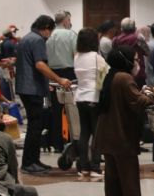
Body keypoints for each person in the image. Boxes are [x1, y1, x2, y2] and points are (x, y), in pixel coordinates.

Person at [97, 47, 154, 196]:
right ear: (125, 60)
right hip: (121, 137)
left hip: (108, 135)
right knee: (129, 178)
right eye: (135, 59)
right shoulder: (124, 78)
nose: (137, 63)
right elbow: (139, 102)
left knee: (113, 179)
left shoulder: (112, 75)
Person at [15, 15, 72, 174]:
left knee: (35, 125)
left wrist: (47, 83)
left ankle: (34, 160)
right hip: (32, 89)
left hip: (26, 87)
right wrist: (59, 79)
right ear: (46, 28)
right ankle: (28, 163)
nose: (49, 35)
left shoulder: (26, 38)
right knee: (35, 127)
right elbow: (39, 64)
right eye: (50, 31)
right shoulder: (38, 40)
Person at [73, 28, 107, 181]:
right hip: (94, 97)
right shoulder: (96, 56)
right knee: (98, 134)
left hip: (80, 97)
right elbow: (106, 73)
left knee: (84, 134)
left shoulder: (77, 56)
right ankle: (95, 168)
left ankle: (84, 168)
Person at [46, 10, 77, 154]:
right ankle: (72, 140)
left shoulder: (48, 35)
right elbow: (76, 55)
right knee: (71, 108)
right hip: (68, 73)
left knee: (55, 109)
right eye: (69, 20)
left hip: (51, 73)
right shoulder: (71, 34)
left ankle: (57, 142)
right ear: (65, 21)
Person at [113, 17, 149, 86]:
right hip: (138, 72)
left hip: (121, 72)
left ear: (122, 28)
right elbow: (147, 52)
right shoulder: (139, 38)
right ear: (134, 28)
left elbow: (114, 55)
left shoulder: (115, 40)